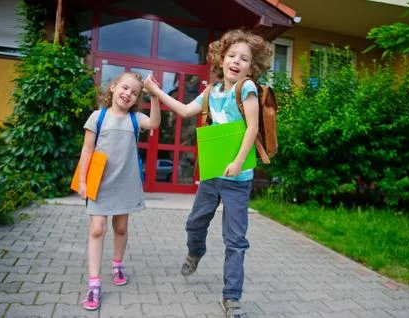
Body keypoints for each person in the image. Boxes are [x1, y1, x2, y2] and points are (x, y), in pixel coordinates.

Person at [144, 29, 272, 318]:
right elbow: (185, 110)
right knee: (194, 223)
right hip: (213, 176)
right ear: (221, 59)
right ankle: (196, 251)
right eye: (231, 56)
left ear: (252, 66)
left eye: (244, 59)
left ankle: (232, 298)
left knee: (236, 240)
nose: (236, 62)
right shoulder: (211, 92)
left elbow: (252, 128)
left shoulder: (247, 89)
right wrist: (156, 92)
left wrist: (239, 162)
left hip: (238, 180)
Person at [77, 72, 160, 311]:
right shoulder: (97, 117)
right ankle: (94, 285)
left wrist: (153, 95)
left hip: (126, 184)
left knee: (121, 227)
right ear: (113, 87)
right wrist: (82, 181)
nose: (128, 94)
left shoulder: (135, 119)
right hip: (100, 183)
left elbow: (154, 124)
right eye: (124, 88)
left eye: (134, 93)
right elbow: (87, 151)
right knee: (97, 229)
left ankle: (117, 264)